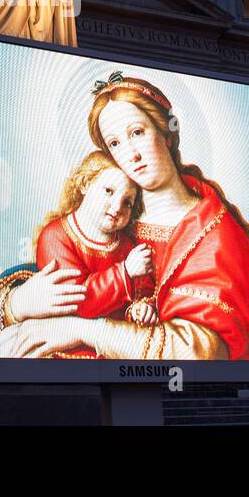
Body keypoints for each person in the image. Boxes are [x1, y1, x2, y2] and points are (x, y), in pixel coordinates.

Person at [0, 73, 249, 361]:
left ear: (166, 134)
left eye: (137, 132)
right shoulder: (113, 223)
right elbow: (63, 281)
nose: (130, 154)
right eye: (115, 143)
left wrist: (81, 329)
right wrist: (18, 304)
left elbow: (198, 353)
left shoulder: (215, 233)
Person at [32, 151, 156, 357]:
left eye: (127, 202)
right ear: (85, 184)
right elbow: (78, 302)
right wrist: (124, 272)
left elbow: (144, 291)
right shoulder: (55, 236)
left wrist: (142, 310)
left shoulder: (126, 246)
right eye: (108, 191)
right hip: (69, 346)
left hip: (113, 343)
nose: (117, 207)